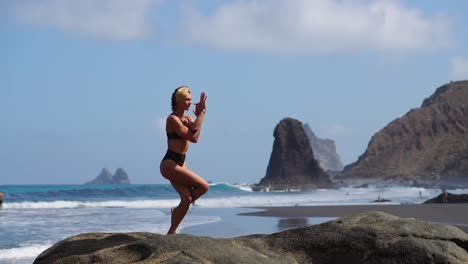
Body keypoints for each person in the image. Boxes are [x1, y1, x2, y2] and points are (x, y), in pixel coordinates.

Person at [160, 86, 209, 234]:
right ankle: (176, 215)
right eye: (187, 100)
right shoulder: (172, 119)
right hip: (170, 164)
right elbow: (191, 136)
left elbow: (195, 137)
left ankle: (172, 231)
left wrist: (198, 117)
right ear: (179, 101)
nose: (190, 103)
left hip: (181, 162)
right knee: (204, 186)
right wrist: (202, 113)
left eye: (190, 100)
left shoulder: (188, 119)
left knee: (187, 199)